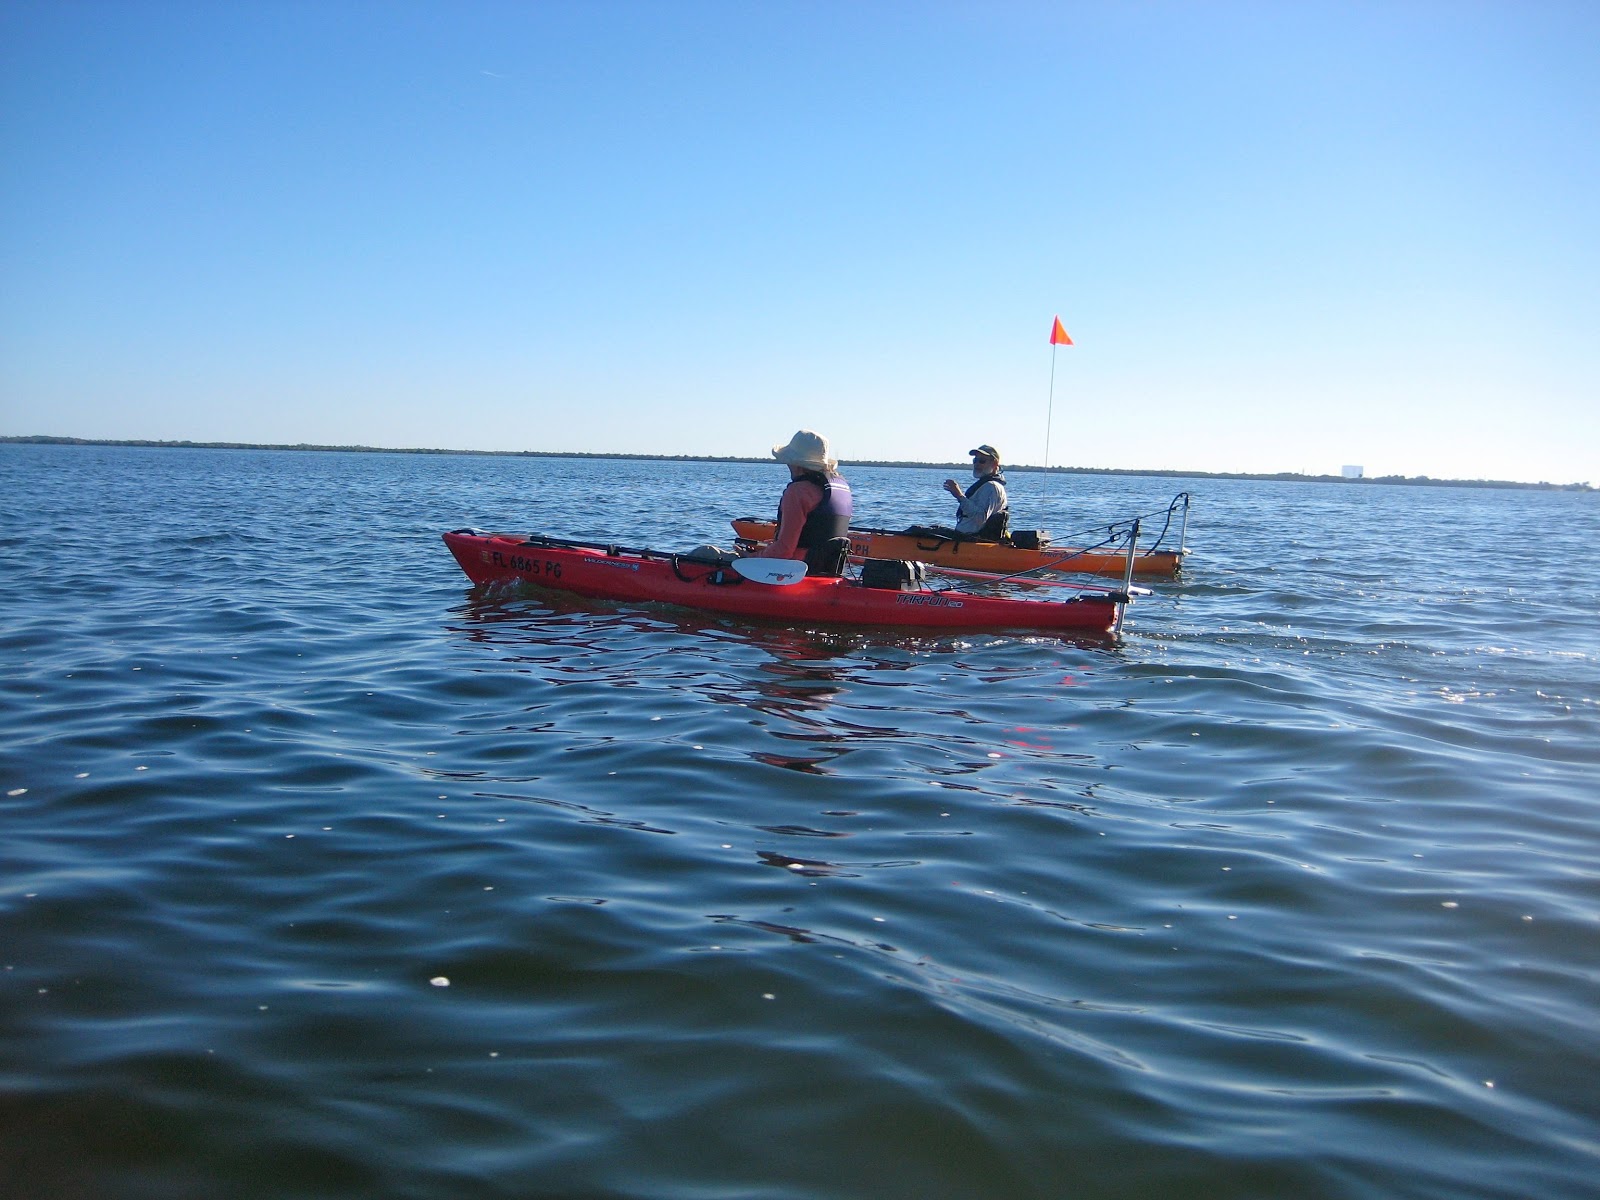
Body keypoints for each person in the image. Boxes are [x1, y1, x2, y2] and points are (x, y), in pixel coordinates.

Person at [753, 430, 853, 576]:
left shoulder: (798, 491)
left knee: (711, 555)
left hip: (795, 573)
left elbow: (783, 551)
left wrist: (752, 557)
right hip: (830, 572)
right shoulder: (842, 487)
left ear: (797, 463)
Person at [935, 444, 1010, 540]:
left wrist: (959, 496)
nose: (977, 464)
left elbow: (980, 518)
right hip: (966, 538)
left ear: (995, 464)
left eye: (982, 461)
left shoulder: (991, 487)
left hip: (973, 540)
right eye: (975, 460)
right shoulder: (986, 485)